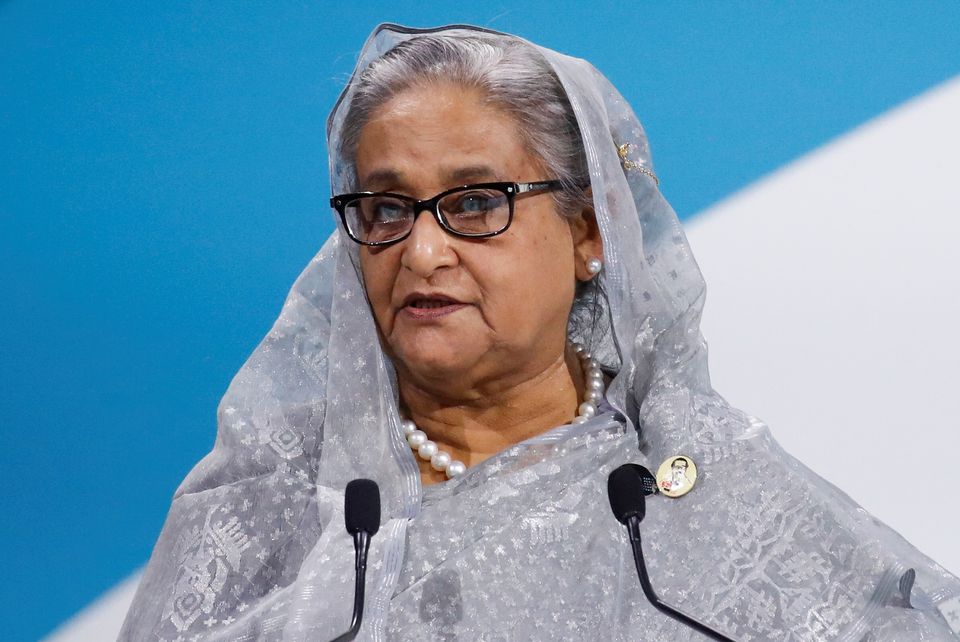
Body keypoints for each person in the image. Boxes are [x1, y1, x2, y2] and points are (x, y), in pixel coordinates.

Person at [119, 24, 960, 641]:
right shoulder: (274, 495)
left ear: (589, 232)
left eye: (476, 202)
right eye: (385, 208)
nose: (421, 249)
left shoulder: (694, 490)